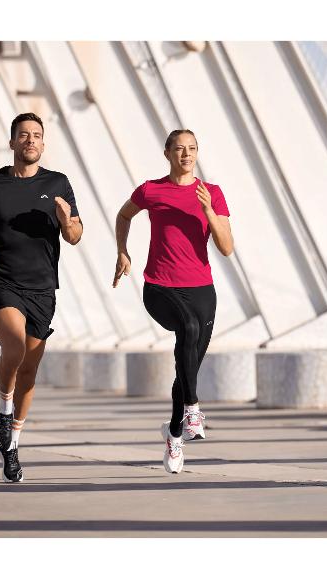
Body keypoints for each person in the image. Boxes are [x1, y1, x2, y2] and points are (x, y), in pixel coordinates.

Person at [0, 112, 82, 482]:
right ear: (12, 143)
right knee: (14, 350)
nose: (31, 140)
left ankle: (10, 444)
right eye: (24, 135)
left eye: (37, 135)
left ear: (43, 144)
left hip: (42, 288)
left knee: (29, 370)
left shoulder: (58, 183)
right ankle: (3, 411)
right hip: (1, 282)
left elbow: (75, 236)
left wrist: (65, 220)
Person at [112, 129, 233, 474]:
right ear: (167, 153)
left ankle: (175, 433)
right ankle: (193, 409)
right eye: (179, 149)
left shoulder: (212, 194)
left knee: (188, 366)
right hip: (160, 287)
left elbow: (226, 247)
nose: (186, 154)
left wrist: (209, 211)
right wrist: (123, 251)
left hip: (202, 290)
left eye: (192, 148)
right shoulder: (152, 190)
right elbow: (124, 215)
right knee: (188, 329)